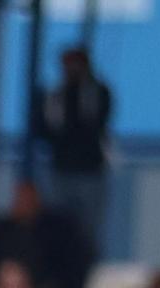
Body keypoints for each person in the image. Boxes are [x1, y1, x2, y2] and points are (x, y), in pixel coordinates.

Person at [36, 46, 114, 244]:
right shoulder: (55, 96)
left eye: (76, 64)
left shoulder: (98, 93)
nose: (71, 70)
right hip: (61, 168)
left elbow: (95, 124)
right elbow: (45, 130)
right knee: (58, 224)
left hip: (90, 170)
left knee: (89, 227)